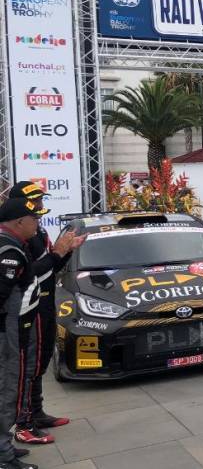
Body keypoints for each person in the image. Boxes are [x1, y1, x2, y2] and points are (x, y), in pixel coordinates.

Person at [5, 183, 83, 445]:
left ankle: (36, 413)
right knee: (27, 365)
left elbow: (50, 267)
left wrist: (66, 250)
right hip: (28, 307)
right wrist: (58, 253)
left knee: (42, 360)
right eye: (34, 202)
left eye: (40, 201)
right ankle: (22, 422)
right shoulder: (16, 236)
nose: (39, 207)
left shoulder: (36, 230)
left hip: (46, 302)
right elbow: (29, 273)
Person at [0, 197, 46, 469]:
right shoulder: (9, 251)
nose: (37, 224)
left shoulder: (13, 245)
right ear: (19, 221)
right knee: (6, 391)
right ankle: (3, 457)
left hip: (13, 334)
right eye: (34, 219)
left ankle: (4, 446)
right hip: (7, 336)